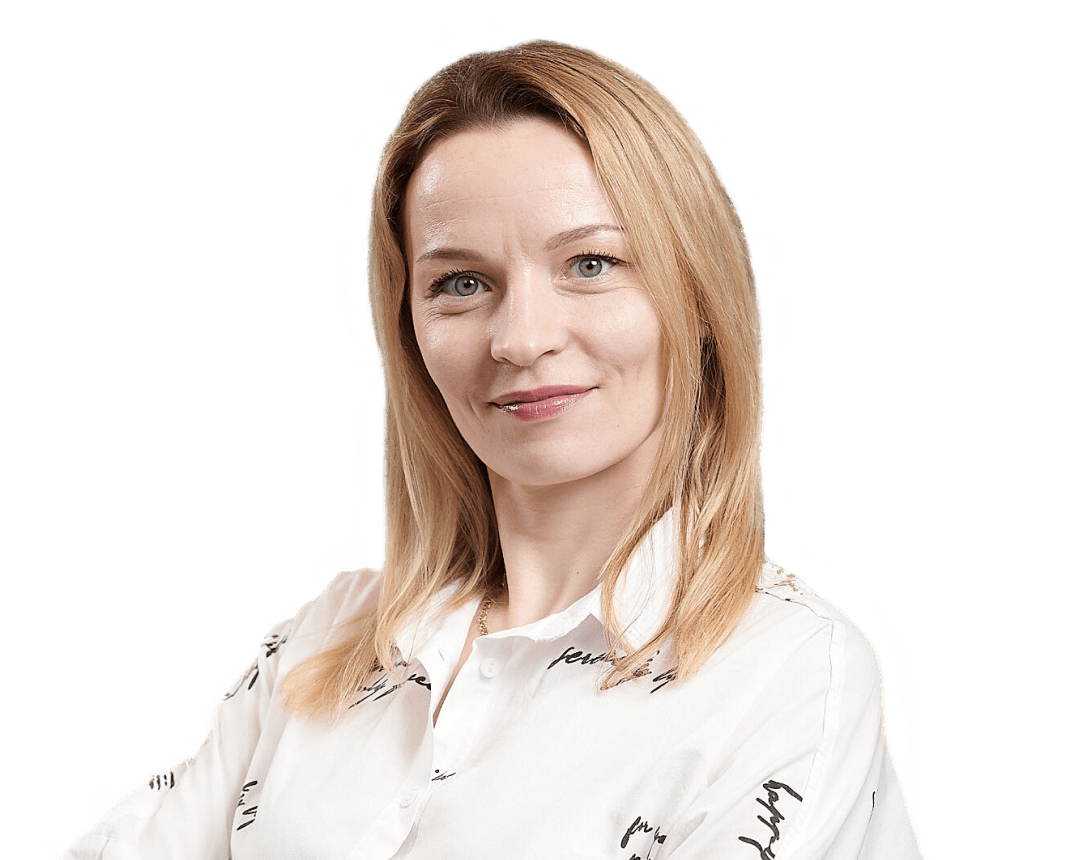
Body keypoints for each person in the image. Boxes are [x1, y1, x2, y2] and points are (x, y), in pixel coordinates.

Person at [66, 37, 922, 859]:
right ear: (409, 330)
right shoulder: (328, 632)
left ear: (696, 294)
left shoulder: (791, 672)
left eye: (590, 264)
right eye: (461, 283)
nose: (520, 338)